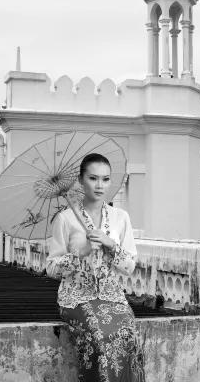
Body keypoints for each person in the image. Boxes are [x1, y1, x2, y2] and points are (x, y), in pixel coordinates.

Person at [46, 153, 145, 382]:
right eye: (93, 178)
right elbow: (51, 268)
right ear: (81, 180)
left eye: (105, 179)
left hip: (112, 297)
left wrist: (110, 245)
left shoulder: (120, 218)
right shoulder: (66, 218)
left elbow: (129, 266)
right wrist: (82, 252)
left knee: (129, 336)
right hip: (77, 297)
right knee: (100, 336)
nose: (100, 185)